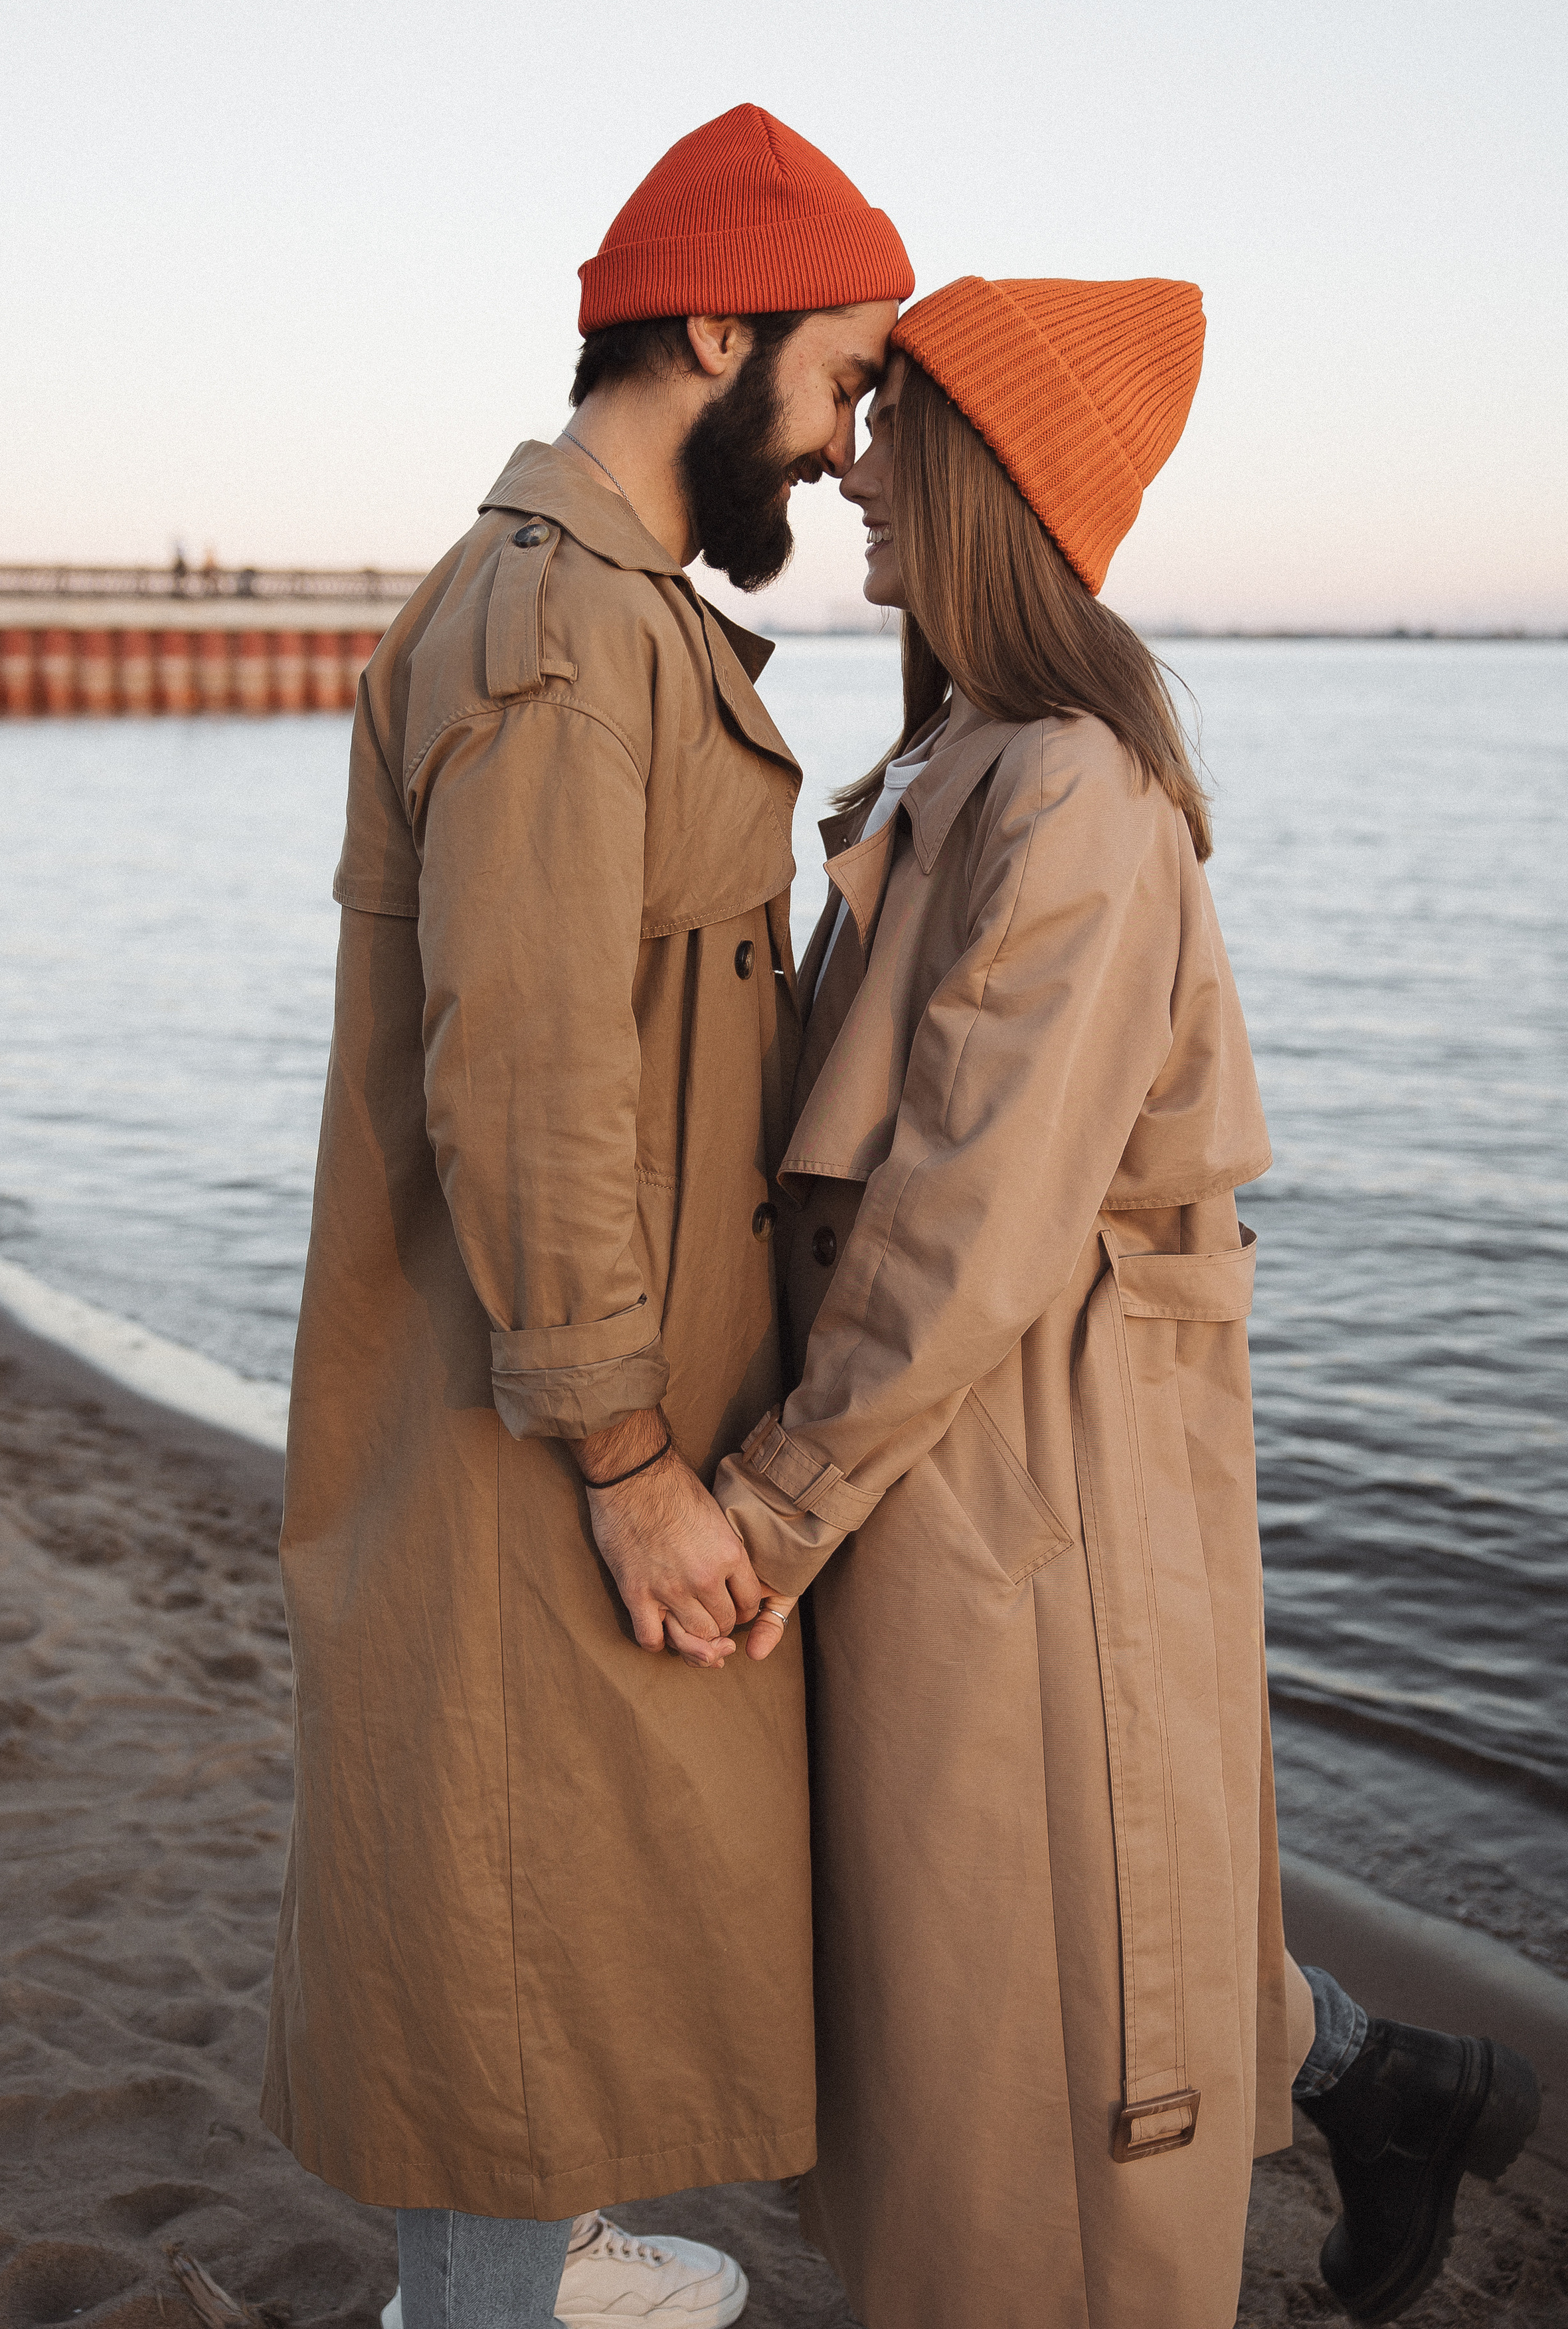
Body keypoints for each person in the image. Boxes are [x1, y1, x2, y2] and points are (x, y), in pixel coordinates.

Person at [715, 277, 1540, 2328]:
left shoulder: (1071, 790)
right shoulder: (962, 758)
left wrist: (769, 1506)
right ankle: (1387, 2082)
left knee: (1058, 2092)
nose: (861, 465)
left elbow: (963, 1230)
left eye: (906, 427)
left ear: (1000, 475)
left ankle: (1384, 2084)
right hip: (955, 1502)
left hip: (1026, 1525)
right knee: (987, 2035)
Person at [259, 104, 911, 2329]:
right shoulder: (556, 626)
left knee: (526, 1889)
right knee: (495, 1908)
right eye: (837, 377)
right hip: (528, 1418)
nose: (841, 450)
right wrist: (630, 1460)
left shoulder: (604, 609)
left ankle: (522, 2249)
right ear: (712, 328)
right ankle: (488, 2285)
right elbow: (527, 1074)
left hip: (559, 1388)